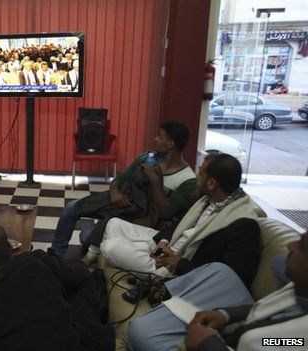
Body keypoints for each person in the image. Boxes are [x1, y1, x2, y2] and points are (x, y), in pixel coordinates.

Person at [0, 222, 114, 351]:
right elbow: (79, 275)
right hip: (71, 343)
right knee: (81, 279)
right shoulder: (34, 260)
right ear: (9, 247)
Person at [100, 153, 261, 288]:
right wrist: (163, 241)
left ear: (211, 183)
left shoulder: (243, 224)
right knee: (113, 224)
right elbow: (182, 226)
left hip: (174, 266)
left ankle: (148, 271)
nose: (196, 176)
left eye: (201, 174)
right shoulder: (210, 199)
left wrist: (177, 262)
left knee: (110, 246)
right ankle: (145, 253)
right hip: (170, 245)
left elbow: (234, 278)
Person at [129, 232, 308, 351]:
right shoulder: (301, 286)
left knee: (140, 330)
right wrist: (225, 315)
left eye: (302, 245)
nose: (290, 245)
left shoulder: (294, 341)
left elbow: (272, 342)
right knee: (220, 269)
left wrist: (208, 344)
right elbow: (265, 309)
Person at [51, 121, 196, 260]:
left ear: (170, 144)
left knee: (85, 236)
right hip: (121, 202)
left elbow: (165, 213)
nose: (155, 139)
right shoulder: (147, 158)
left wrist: (155, 182)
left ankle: (102, 242)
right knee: (71, 208)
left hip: (138, 218)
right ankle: (56, 255)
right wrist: (115, 192)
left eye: (160, 136)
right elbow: (119, 180)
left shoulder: (187, 180)